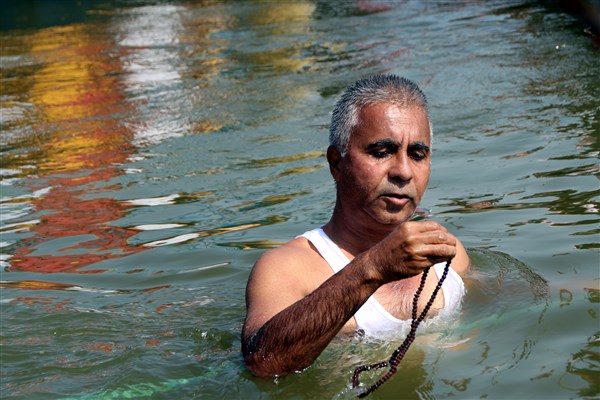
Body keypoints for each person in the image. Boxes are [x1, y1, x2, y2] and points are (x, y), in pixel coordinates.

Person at [241, 74, 470, 378]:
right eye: (381, 152)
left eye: (417, 155)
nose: (403, 172)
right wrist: (373, 268)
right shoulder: (286, 267)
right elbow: (263, 363)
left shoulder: (446, 253)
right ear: (337, 163)